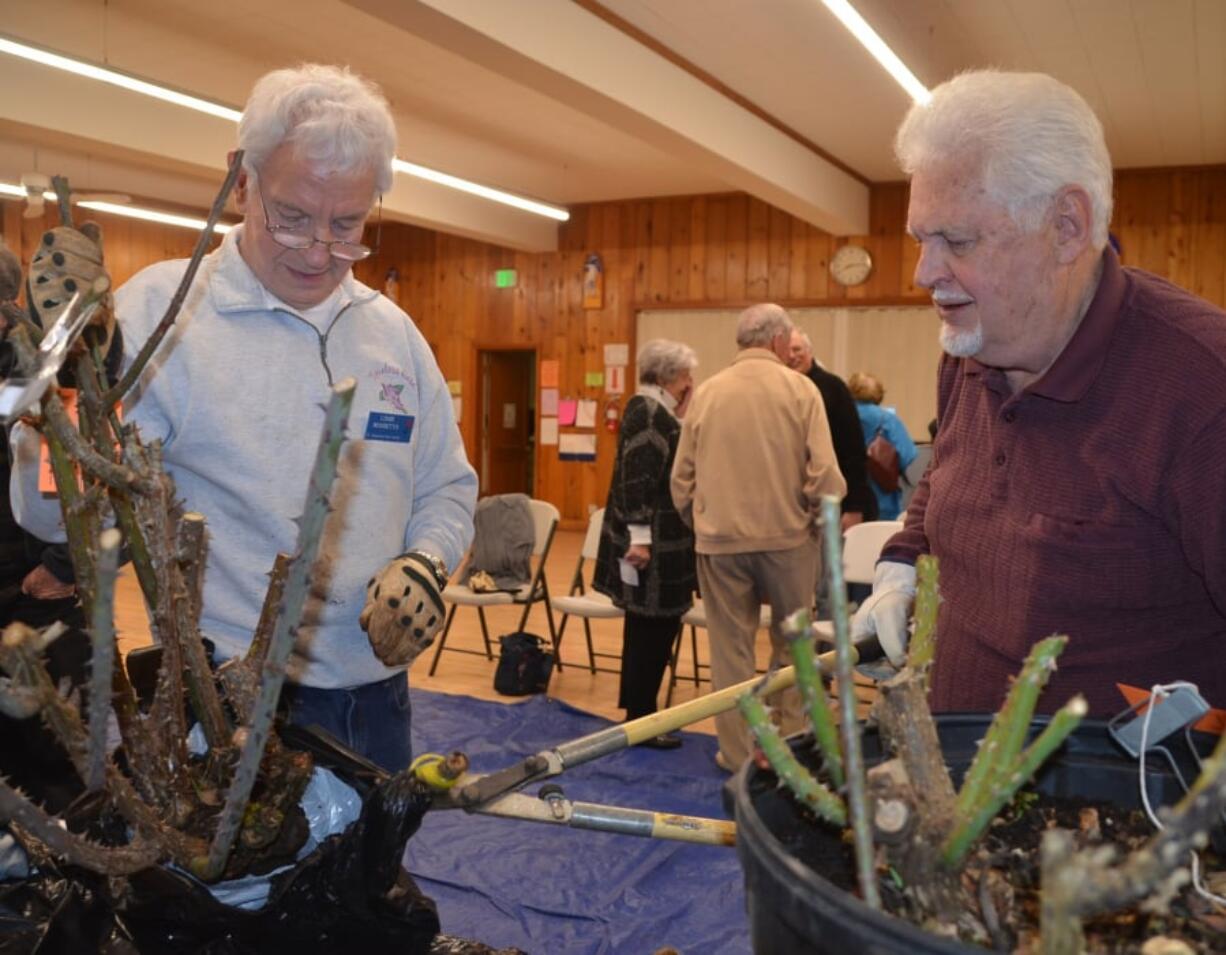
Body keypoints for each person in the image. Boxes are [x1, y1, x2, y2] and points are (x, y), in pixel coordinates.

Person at [12, 64, 477, 771]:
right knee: (235, 885)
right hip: (228, 704)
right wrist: (52, 391)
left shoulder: (394, 336)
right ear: (240, 181)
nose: (320, 250)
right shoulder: (160, 318)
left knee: (369, 883)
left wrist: (427, 561)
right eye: (292, 217)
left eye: (347, 224)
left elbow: (447, 486)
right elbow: (55, 518)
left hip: (378, 701)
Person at [852, 69, 1226, 717]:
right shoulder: (970, 347)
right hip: (952, 789)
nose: (923, 273)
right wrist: (903, 562)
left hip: (1122, 811)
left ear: (1066, 226)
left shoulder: (1201, 393)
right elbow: (946, 477)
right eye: (921, 239)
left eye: (958, 241)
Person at [671, 304, 845, 770]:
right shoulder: (801, 390)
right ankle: (790, 744)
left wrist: (703, 523)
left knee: (730, 652)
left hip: (719, 542)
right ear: (776, 343)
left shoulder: (706, 394)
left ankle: (735, 753)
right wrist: (807, 519)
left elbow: (680, 481)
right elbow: (827, 477)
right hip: (789, 541)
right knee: (793, 648)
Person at [593, 339, 698, 750]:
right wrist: (640, 540)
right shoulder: (651, 414)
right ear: (669, 377)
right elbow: (637, 482)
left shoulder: (653, 410)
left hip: (659, 544)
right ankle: (641, 718)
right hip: (654, 549)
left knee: (646, 630)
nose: (691, 383)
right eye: (687, 376)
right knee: (653, 631)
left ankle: (638, 713)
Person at [787, 330, 877, 528]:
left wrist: (854, 506)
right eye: (787, 350)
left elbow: (853, 450)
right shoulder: (781, 389)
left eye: (797, 349)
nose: (792, 355)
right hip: (797, 509)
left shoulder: (833, 388)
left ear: (809, 352)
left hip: (837, 503)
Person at [846, 371, 917, 520]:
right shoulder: (888, 420)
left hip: (848, 500)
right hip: (883, 500)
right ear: (878, 393)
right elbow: (907, 455)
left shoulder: (843, 415)